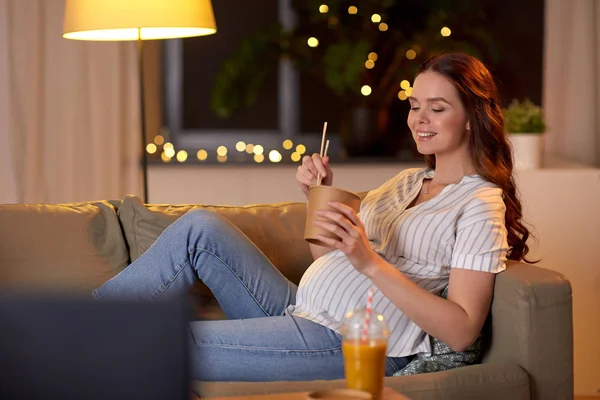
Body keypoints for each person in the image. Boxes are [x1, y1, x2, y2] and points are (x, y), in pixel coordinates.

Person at [93, 52, 532, 381]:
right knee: (198, 227)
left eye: (437, 108)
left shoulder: (479, 204)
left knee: (165, 342)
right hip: (303, 308)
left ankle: (68, 343)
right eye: (415, 105)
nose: (420, 119)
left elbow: (461, 331)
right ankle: (80, 319)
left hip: (354, 340)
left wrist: (369, 261)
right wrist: (318, 196)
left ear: (473, 117)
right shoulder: (406, 182)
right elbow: (329, 255)